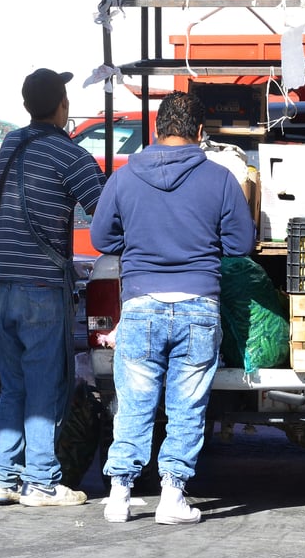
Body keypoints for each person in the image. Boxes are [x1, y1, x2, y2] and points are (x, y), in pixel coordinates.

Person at [89, 91, 256, 524]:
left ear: (156, 131)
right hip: (198, 306)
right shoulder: (219, 179)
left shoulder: (124, 178)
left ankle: (119, 496)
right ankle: (172, 497)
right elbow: (241, 244)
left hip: (141, 304)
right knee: (186, 406)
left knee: (135, 404)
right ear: (200, 134)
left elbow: (102, 240)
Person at [0, 68, 106, 507]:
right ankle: (41, 481)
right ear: (63, 106)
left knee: (13, 384)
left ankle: (2, 477)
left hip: (2, 279)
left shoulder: (10, 145)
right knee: (46, 384)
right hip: (42, 284)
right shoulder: (71, 156)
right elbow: (106, 215)